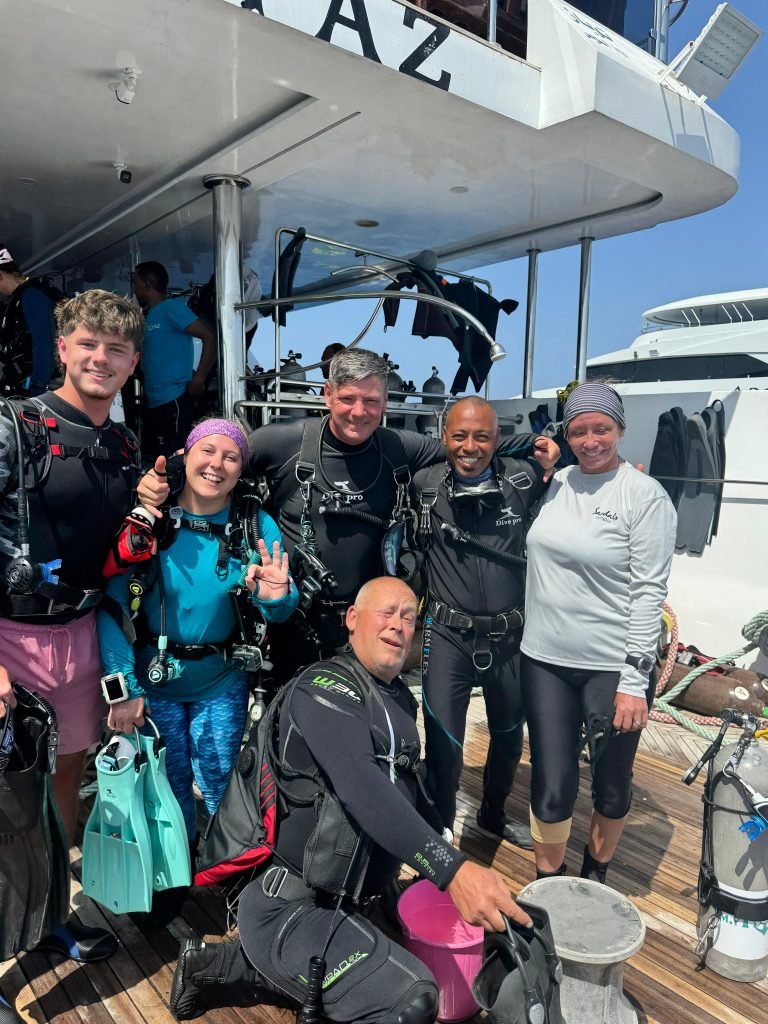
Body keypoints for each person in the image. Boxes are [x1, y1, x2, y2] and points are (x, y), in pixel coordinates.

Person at [169, 576, 532, 1024]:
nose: (398, 625)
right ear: (353, 619)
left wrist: (444, 858)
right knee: (413, 999)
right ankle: (230, 966)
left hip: (358, 900)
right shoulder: (322, 688)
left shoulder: (397, 699)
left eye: (409, 618)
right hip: (293, 908)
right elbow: (364, 788)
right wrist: (451, 871)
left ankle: (230, 966)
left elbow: (411, 792)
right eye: (386, 612)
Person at [139, 348, 559, 682]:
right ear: (327, 395)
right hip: (295, 622)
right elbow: (214, 459)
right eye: (347, 399)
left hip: (367, 626)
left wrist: (539, 445)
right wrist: (162, 478)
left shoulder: (398, 447)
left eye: (371, 401)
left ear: (385, 402)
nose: (359, 411)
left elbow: (466, 447)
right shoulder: (281, 443)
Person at [97, 417, 299, 920]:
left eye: (231, 457)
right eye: (208, 451)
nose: (217, 464)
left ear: (241, 470)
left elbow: (281, 603)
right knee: (164, 784)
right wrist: (123, 688)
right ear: (186, 457)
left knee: (220, 781)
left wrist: (277, 597)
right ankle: (172, 878)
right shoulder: (149, 521)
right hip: (152, 683)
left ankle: (232, 878)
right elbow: (112, 606)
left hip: (220, 680)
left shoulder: (252, 525)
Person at [0, 289, 143, 964]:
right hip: (10, 636)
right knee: (5, 804)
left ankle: (47, 917)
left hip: (80, 636)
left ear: (133, 362)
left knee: (62, 784)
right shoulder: (13, 425)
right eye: (88, 344)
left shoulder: (123, 443)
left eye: (117, 349)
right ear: (61, 348)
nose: (100, 359)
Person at [520, 382, 676, 883]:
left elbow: (649, 593)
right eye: (579, 431)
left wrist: (634, 680)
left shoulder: (644, 495)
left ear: (620, 430)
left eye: (602, 429)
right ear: (566, 435)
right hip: (543, 659)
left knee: (610, 785)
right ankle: (549, 884)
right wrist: (545, 462)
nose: (590, 441)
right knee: (551, 785)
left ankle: (595, 872)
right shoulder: (557, 482)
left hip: (611, 667)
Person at [414, 396, 555, 849]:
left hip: (510, 635)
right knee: (443, 742)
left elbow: (569, 459)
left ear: (498, 439)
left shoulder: (523, 477)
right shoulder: (423, 483)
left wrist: (547, 446)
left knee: (510, 738)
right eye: (459, 436)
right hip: (447, 635)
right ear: (444, 438)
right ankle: (439, 828)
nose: (470, 447)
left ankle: (493, 814)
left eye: (482, 436)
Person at [132, 261, 217, 460]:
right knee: (156, 460)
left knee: (175, 460)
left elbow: (210, 337)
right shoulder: (149, 316)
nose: (134, 289)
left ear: (147, 284)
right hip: (153, 401)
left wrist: (199, 379)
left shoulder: (171, 308)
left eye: (136, 283)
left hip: (174, 400)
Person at [0, 244, 64, 396]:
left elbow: (45, 342)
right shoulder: (19, 300)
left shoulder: (32, 296)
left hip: (42, 390)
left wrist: (39, 388)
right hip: (26, 386)